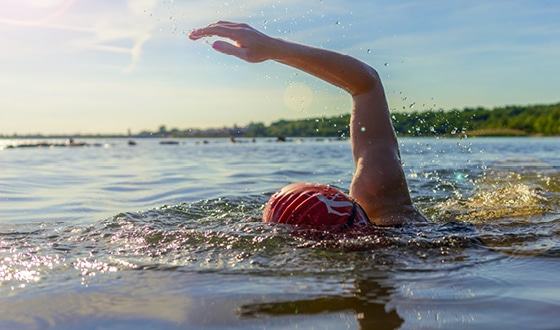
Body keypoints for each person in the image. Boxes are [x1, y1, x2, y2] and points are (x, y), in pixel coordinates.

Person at [189, 21, 426, 232]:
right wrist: (274, 48)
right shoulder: (384, 205)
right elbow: (367, 84)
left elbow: (367, 86)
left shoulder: (384, 208)